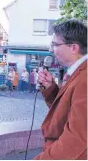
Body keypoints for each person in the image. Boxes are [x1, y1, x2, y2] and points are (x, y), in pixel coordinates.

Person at [34, 20, 87, 159]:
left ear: (73, 48)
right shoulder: (77, 72)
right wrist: (51, 89)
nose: (51, 50)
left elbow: (76, 139)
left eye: (55, 44)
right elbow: (65, 112)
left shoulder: (85, 79)